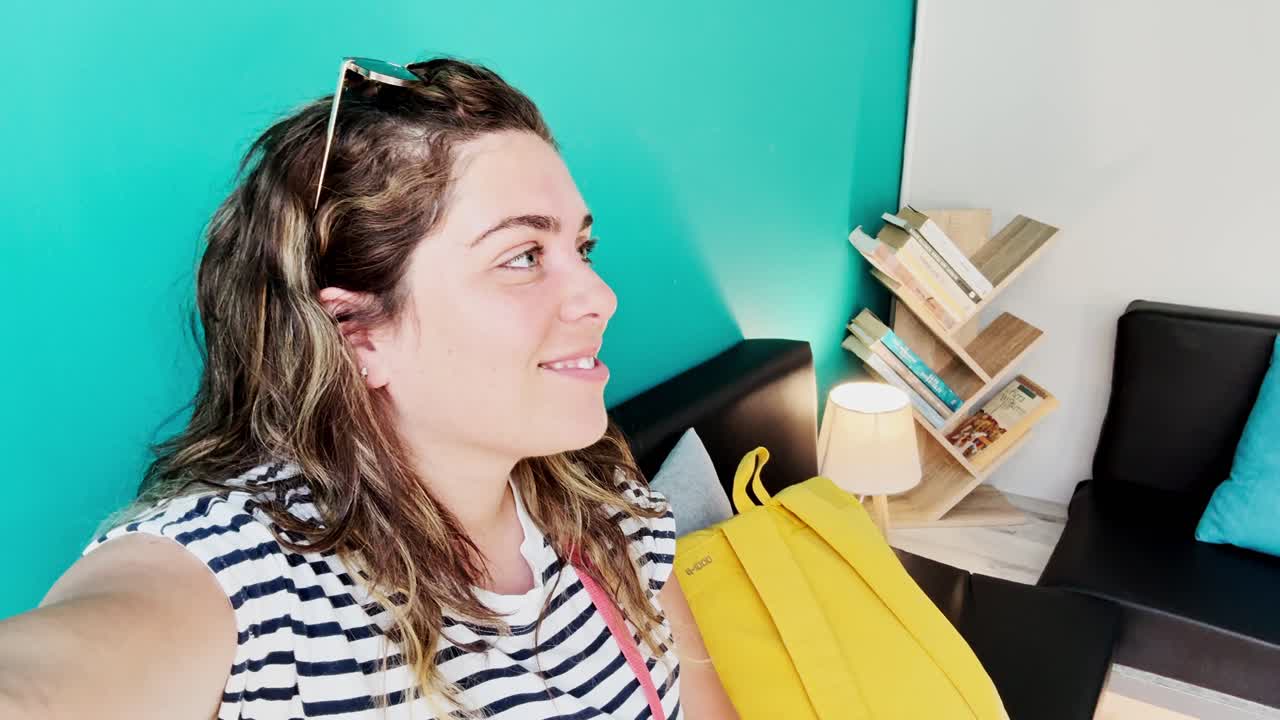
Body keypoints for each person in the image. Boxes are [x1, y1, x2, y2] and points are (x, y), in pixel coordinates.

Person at [0, 55, 738, 720]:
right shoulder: (250, 583)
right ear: (357, 334)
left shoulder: (605, 505)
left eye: (581, 246)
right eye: (522, 255)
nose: (601, 296)